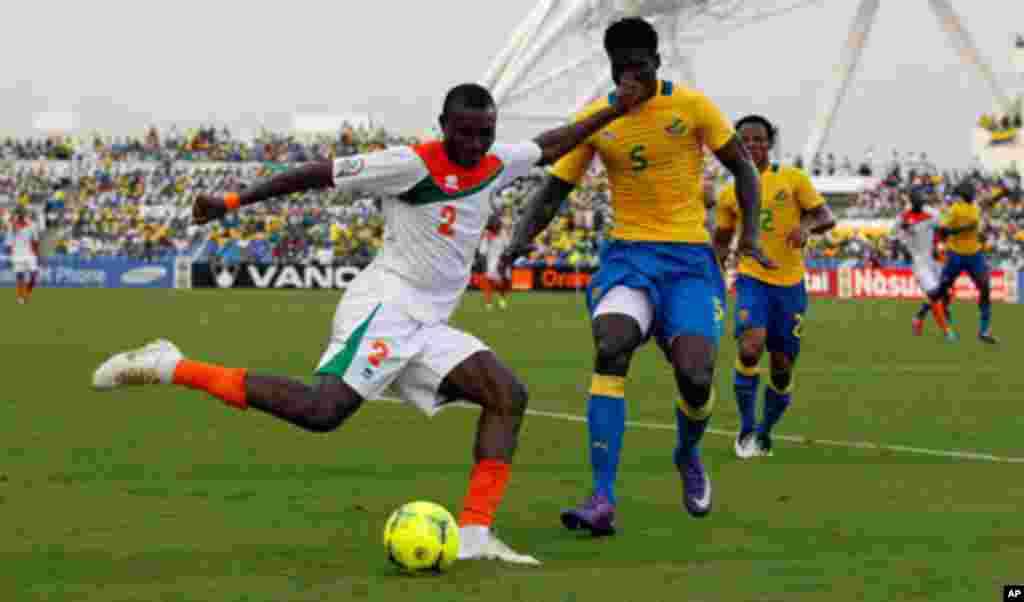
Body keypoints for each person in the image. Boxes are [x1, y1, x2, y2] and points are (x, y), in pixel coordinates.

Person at [91, 80, 652, 564]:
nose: (475, 144)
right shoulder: (410, 164)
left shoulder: (497, 162)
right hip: (386, 308)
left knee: (507, 395)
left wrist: (612, 108)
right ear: (443, 126)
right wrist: (233, 201)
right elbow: (317, 174)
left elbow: (551, 143)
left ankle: (475, 536)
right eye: (465, 133)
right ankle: (171, 365)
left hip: (429, 323)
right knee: (322, 411)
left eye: (485, 133)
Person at [500, 17, 773, 537]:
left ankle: (687, 454)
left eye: (639, 67)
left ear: (657, 63)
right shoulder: (596, 118)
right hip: (629, 258)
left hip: (689, 263)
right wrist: (518, 240)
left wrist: (751, 235)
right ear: (610, 67)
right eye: (620, 68)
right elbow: (554, 190)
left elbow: (744, 169)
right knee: (612, 346)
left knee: (696, 378)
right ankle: (602, 497)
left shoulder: (691, 106)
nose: (630, 77)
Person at [713, 115, 836, 458]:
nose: (752, 145)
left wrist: (805, 227)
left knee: (781, 369)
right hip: (752, 278)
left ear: (769, 143)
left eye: (759, 139)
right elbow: (722, 239)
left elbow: (825, 216)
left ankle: (764, 432)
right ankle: (746, 428)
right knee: (750, 349)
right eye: (745, 140)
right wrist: (711, 272)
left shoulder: (792, 178)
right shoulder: (729, 192)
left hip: (790, 285)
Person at [928, 179, 999, 344]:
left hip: (975, 255)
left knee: (985, 287)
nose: (973, 195)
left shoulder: (975, 207)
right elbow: (942, 230)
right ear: (967, 194)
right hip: (956, 255)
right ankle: (943, 322)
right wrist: (963, 229)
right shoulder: (955, 209)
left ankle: (984, 331)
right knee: (943, 289)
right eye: (971, 192)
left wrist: (1003, 193)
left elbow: (988, 202)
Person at [893, 188, 955, 341]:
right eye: (918, 201)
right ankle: (947, 331)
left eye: (923, 201)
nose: (922, 204)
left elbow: (942, 230)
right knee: (934, 294)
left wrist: (941, 244)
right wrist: (902, 247)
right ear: (912, 202)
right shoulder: (903, 217)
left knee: (948, 292)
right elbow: (894, 236)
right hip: (919, 262)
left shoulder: (932, 213)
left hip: (934, 258)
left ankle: (919, 317)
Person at [8, 206, 41, 305]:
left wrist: (37, 254)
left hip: (29, 254)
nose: (21, 215)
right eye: (19, 213)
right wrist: (10, 257)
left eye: (22, 213)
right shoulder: (12, 226)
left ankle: (27, 293)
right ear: (17, 214)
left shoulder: (32, 225)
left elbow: (35, 241)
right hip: (17, 254)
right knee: (20, 277)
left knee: (34, 274)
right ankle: (20, 297)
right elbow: (9, 243)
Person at [480, 213, 511, 310]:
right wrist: (487, 239)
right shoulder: (487, 235)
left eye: (498, 224)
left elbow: (507, 246)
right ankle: (488, 303)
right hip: (491, 261)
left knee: (505, 281)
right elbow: (482, 251)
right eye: (496, 224)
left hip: (503, 260)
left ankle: (502, 299)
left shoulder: (503, 232)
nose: (498, 225)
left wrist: (505, 257)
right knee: (490, 282)